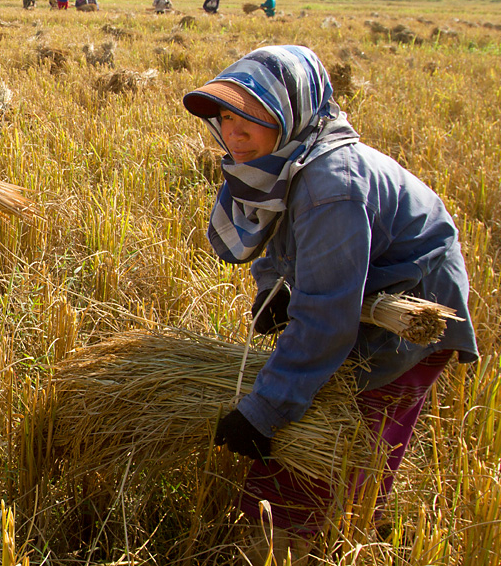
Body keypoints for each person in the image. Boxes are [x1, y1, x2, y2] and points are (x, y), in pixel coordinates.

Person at [182, 45, 478, 564]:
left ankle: (311, 540)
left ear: (292, 113)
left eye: (254, 117)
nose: (234, 133)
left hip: (414, 309)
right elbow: (275, 239)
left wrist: (263, 411)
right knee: (312, 421)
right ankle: (293, 527)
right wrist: (272, 289)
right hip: (358, 288)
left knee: (346, 442)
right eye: (226, 117)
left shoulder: (328, 185)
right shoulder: (280, 164)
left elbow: (324, 317)